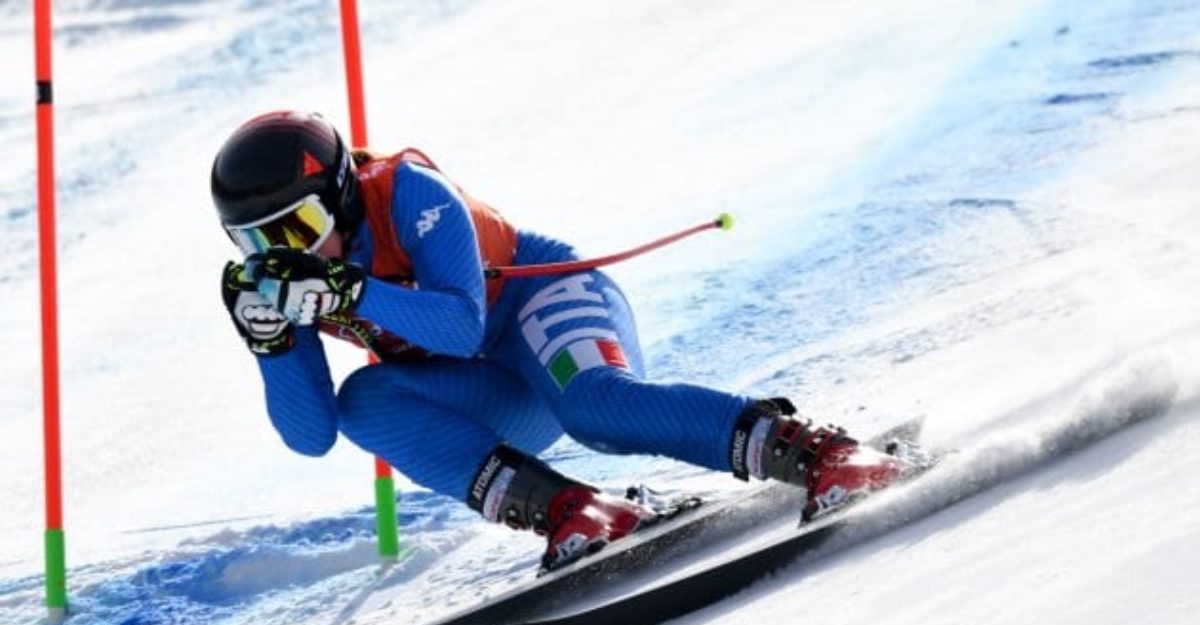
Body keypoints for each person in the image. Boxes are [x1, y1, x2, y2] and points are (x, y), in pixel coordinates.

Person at [211, 110, 902, 572]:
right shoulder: (289, 280)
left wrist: (351, 292)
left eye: (298, 228)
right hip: (493, 385)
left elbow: (461, 325)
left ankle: (821, 451)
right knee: (365, 402)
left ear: (339, 196)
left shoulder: (408, 193)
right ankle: (577, 510)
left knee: (595, 408)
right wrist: (271, 345)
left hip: (543, 304)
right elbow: (312, 437)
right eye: (253, 241)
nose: (283, 253)